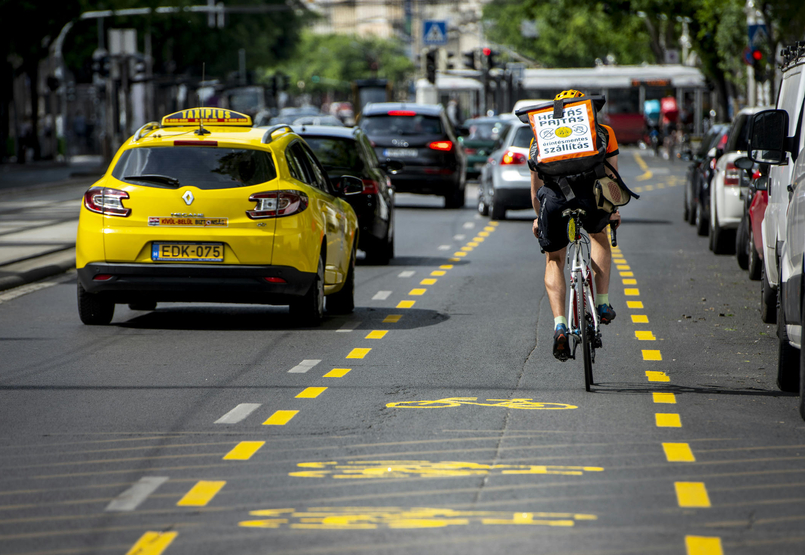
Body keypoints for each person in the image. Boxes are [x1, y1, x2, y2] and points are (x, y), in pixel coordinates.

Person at [529, 90, 621, 361]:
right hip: (592, 197)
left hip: (555, 201)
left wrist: (539, 217)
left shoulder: (540, 135)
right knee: (599, 237)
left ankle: (559, 324)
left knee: (554, 258)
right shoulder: (603, 132)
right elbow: (612, 175)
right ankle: (602, 304)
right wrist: (613, 210)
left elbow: (536, 188)